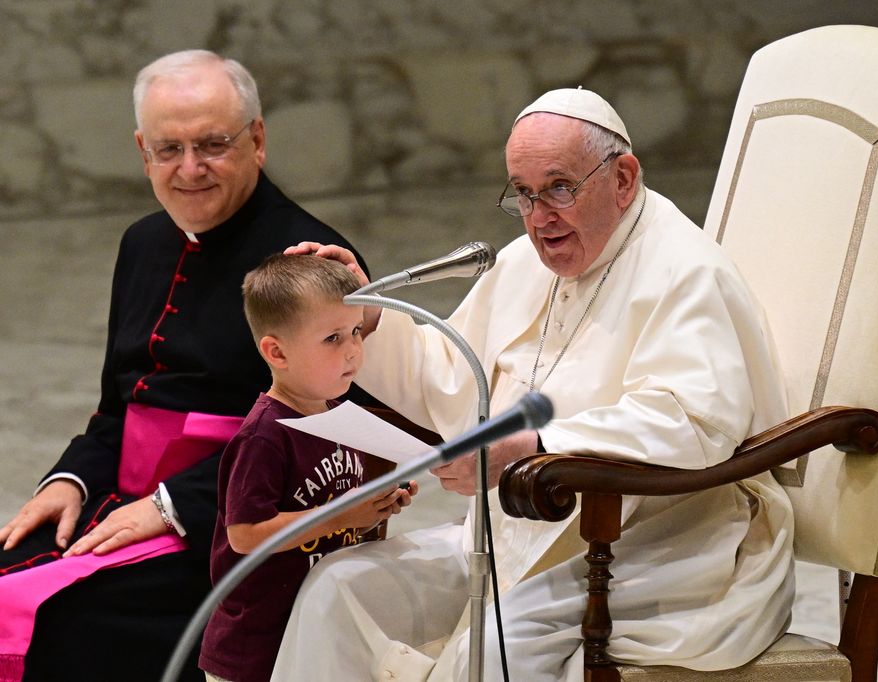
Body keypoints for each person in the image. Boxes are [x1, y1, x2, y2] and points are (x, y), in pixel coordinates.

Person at [271, 88, 796, 681]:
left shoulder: (685, 272)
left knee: (493, 650)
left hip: (657, 546)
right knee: (339, 587)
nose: (540, 216)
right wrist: (364, 319)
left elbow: (692, 422)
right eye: (523, 193)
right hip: (519, 533)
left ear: (623, 179)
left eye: (560, 188)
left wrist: (533, 449)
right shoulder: (527, 263)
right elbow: (452, 374)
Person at [0, 50, 372, 682]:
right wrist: (69, 480)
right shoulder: (142, 241)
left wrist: (171, 504)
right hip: (118, 498)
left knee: (67, 617)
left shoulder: (308, 261)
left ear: (257, 139)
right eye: (168, 149)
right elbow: (118, 406)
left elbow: (322, 437)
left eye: (213, 144)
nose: (190, 169)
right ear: (143, 151)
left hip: (226, 528)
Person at [199, 254, 417, 682]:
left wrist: (384, 499)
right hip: (256, 646)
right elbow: (244, 535)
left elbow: (344, 494)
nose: (353, 348)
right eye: (332, 338)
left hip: (317, 627)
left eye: (355, 331)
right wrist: (341, 515)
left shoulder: (339, 415)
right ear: (276, 352)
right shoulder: (265, 435)